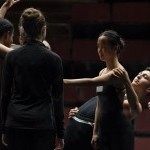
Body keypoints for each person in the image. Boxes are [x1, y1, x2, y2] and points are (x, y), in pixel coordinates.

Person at [63, 30, 141, 150]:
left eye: (103, 47)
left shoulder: (118, 72)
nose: (99, 50)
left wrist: (64, 81)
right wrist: (95, 132)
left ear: (115, 48)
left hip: (114, 127)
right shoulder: (103, 71)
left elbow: (91, 81)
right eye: (98, 47)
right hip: (103, 127)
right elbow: (100, 104)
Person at [0, 7, 64, 150]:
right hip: (42, 124)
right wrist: (60, 133)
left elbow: (5, 95)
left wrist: (3, 127)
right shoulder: (54, 59)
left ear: (22, 30)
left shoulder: (12, 56)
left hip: (15, 122)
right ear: (44, 30)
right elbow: (57, 99)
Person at [64, 67, 150, 150]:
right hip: (75, 129)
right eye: (140, 73)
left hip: (85, 136)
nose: (139, 76)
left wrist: (125, 80)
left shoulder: (135, 105)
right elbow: (99, 101)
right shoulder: (120, 92)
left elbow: (107, 110)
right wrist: (80, 112)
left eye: (144, 77)